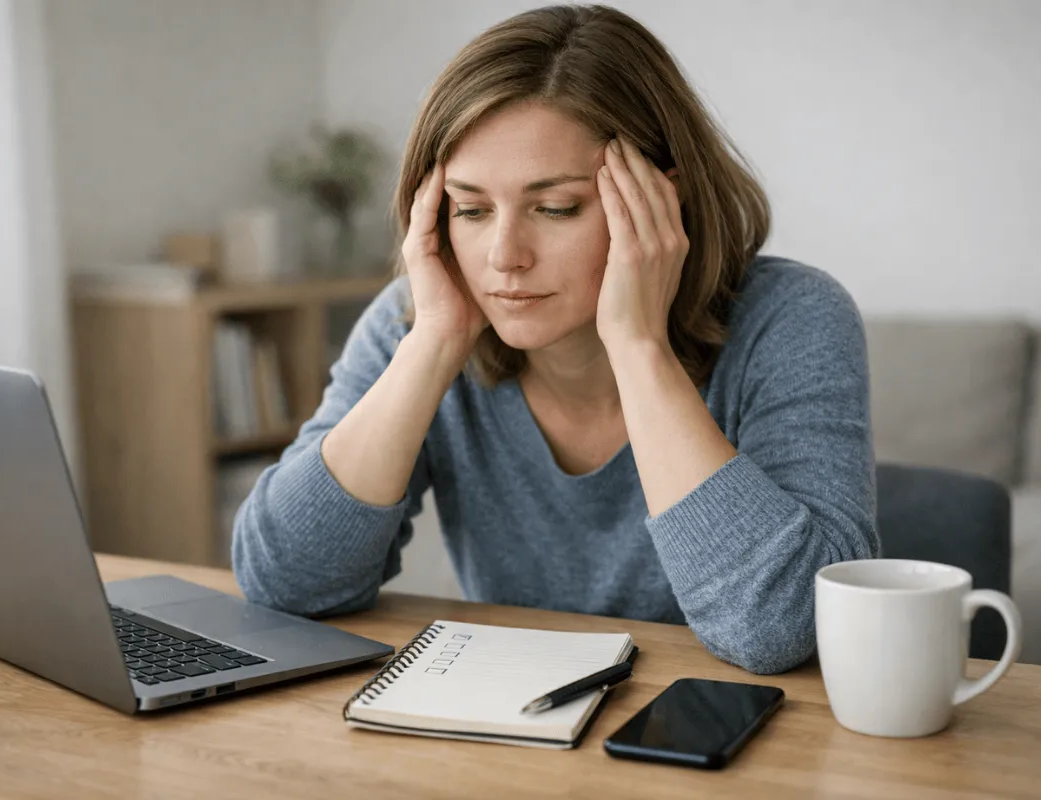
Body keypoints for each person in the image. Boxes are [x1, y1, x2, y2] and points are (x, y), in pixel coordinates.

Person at [233, 4, 878, 675]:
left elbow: (782, 628)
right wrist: (432, 346)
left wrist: (639, 347)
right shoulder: (420, 320)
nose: (504, 257)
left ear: (663, 202)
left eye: (556, 208)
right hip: (509, 723)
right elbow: (283, 584)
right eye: (471, 210)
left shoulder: (792, 317)